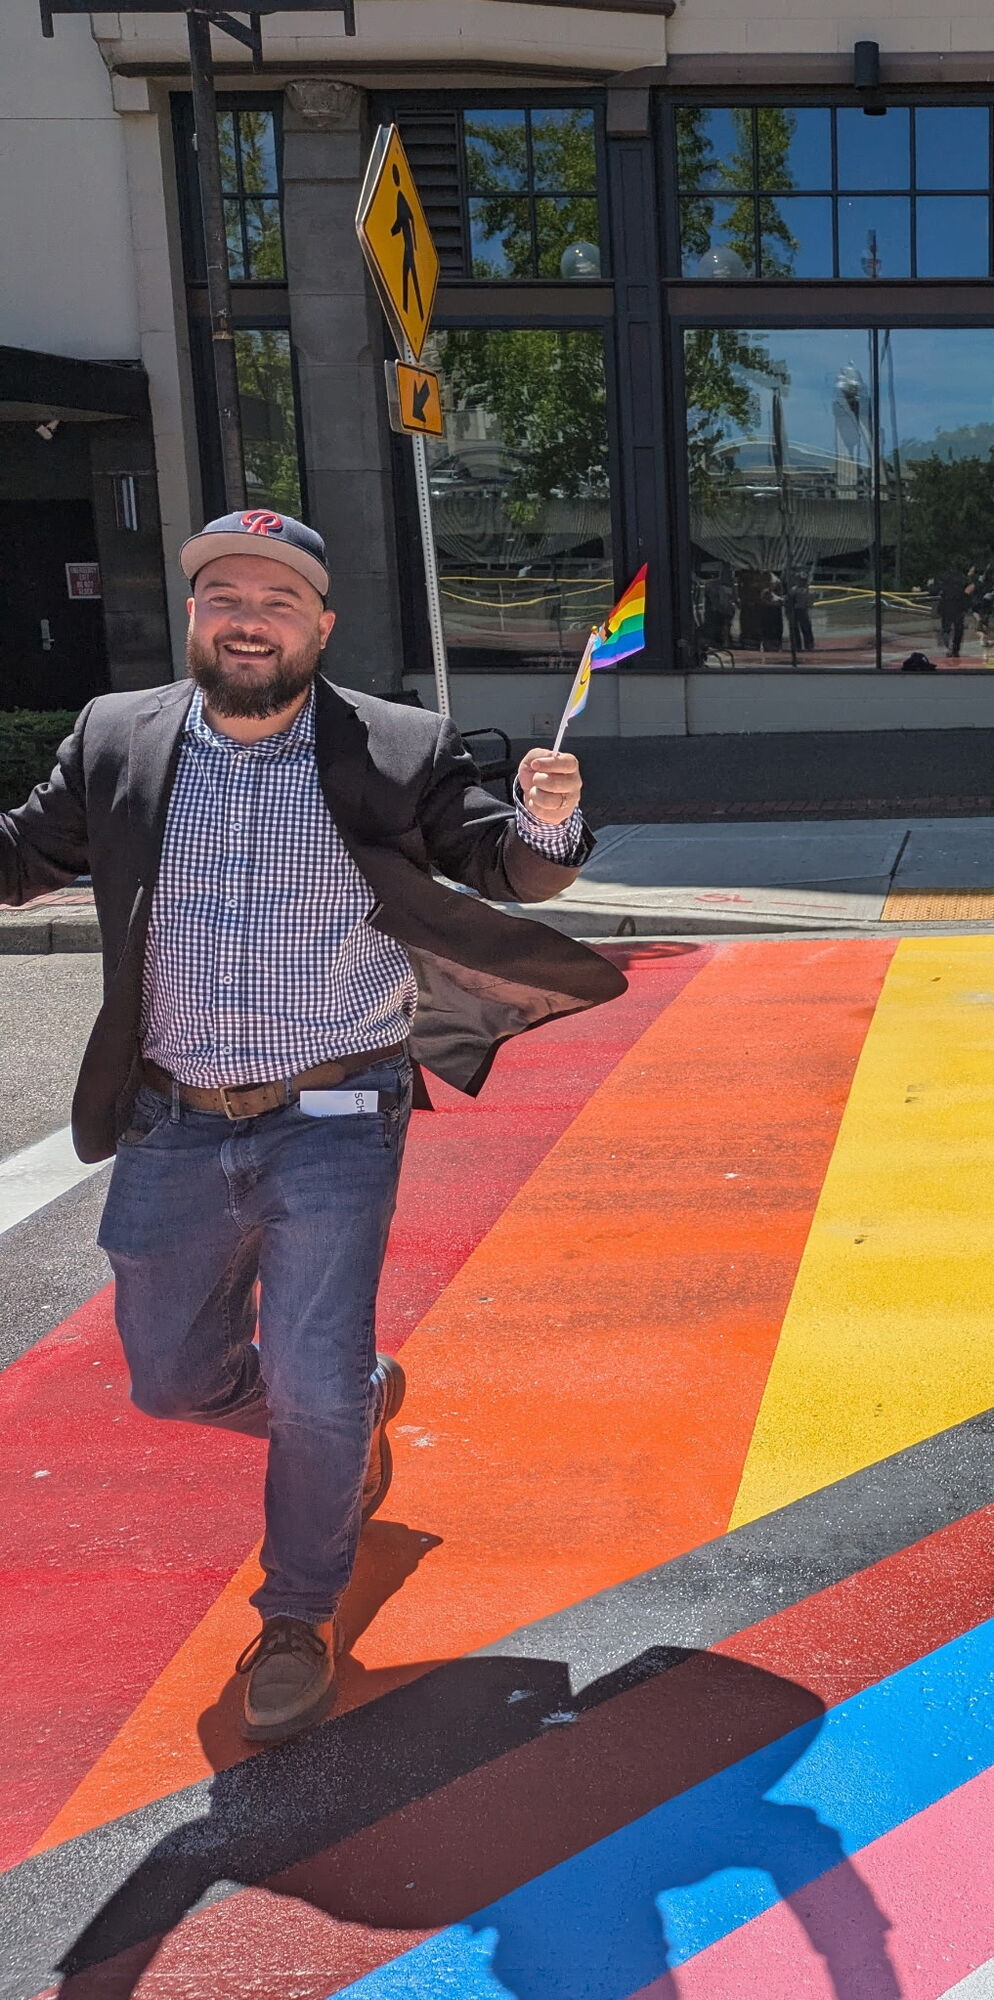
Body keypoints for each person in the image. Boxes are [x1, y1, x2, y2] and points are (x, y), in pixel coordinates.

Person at [0, 508, 625, 1743]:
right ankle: (357, 1397)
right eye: (223, 592)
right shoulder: (115, 734)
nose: (248, 616)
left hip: (339, 1107)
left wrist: (546, 820)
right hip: (173, 1111)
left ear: (321, 624)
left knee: (310, 1371)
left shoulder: (392, 742)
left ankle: (299, 1609)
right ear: (193, 614)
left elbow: (498, 864)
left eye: (278, 600)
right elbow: (23, 853)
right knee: (171, 1380)